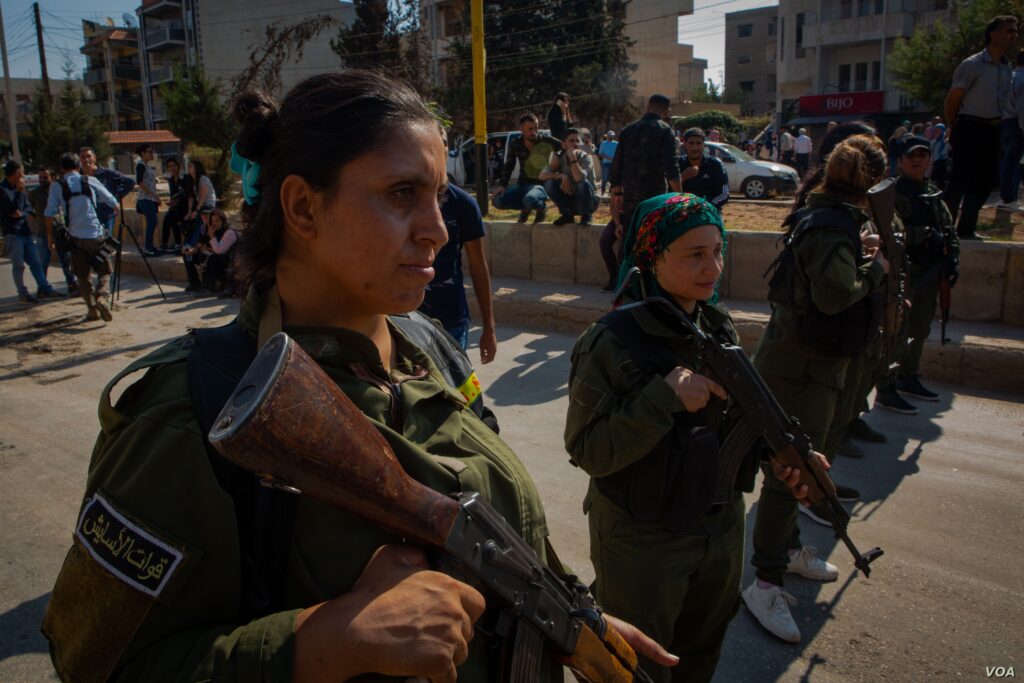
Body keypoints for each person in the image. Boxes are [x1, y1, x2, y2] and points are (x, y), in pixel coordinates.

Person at [42, 70, 671, 683]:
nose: (439, 229)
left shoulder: (430, 349)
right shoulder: (195, 406)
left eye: (438, 195)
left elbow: (492, 525)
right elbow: (99, 663)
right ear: (303, 207)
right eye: (402, 194)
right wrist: (322, 642)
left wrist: (562, 617)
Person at [564, 192, 825, 682]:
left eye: (717, 251)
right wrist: (662, 399)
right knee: (632, 667)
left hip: (719, 529)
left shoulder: (715, 322)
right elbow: (588, 451)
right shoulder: (612, 340)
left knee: (699, 655)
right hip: (644, 540)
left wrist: (784, 455)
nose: (713, 267)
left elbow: (745, 414)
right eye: (695, 254)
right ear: (653, 256)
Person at [743, 134, 890, 642]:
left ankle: (785, 553)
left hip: (811, 363)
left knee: (803, 470)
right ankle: (764, 582)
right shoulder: (831, 224)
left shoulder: (828, 215)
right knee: (793, 474)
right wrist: (874, 272)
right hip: (801, 368)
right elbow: (833, 296)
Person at [874, 136, 960, 413]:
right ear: (899, 161)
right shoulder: (893, 194)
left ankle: (908, 375)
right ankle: (886, 385)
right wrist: (921, 235)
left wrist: (952, 258)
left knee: (919, 327)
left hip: (931, 271)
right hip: (905, 271)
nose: (917, 160)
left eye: (923, 155)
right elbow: (887, 232)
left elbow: (948, 228)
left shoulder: (932, 192)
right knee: (895, 330)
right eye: (911, 156)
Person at [420, 133, 498, 361]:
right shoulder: (403, 201)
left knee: (455, 392)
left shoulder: (463, 204)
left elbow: (478, 266)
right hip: (407, 320)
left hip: (452, 321)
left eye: (443, 141)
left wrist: (489, 328)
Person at [943, 15, 1018, 238]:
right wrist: (951, 125)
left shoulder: (1006, 68)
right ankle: (944, 229)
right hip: (968, 126)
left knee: (983, 182)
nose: (1013, 35)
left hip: (993, 129)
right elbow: (953, 98)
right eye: (1009, 31)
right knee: (959, 180)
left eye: (1015, 31)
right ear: (993, 35)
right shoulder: (973, 64)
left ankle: (966, 228)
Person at [45, 153, 119, 321]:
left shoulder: (57, 186)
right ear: (78, 167)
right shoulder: (90, 181)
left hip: (75, 239)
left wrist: (50, 237)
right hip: (96, 235)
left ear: (62, 169)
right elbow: (113, 202)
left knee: (83, 276)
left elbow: (49, 213)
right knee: (105, 271)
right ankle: (102, 296)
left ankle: (92, 310)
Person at [608, 94, 681, 233]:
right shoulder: (665, 130)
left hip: (630, 198)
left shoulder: (628, 130)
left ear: (647, 107)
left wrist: (617, 193)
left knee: (630, 238)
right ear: (666, 112)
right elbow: (672, 168)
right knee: (651, 239)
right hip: (654, 198)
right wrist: (680, 197)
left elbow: (616, 165)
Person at [1, 160, 63, 304]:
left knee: (35, 262)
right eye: (21, 172)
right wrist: (18, 195)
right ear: (16, 172)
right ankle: (23, 293)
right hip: (12, 233)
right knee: (18, 265)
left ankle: (45, 288)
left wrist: (23, 210)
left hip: (25, 232)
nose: (22, 175)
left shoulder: (20, 190)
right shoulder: (3, 190)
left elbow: (28, 208)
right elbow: (12, 211)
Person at [493, 113, 561, 224]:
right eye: (530, 129)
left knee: (530, 199)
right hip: (523, 183)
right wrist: (502, 185)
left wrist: (556, 163)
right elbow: (509, 165)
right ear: (522, 129)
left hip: (540, 185)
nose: (534, 132)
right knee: (498, 201)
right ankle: (525, 209)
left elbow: (562, 147)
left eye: (536, 128)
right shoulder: (515, 144)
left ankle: (541, 208)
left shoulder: (545, 141)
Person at [28, 167, 77, 294]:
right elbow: (28, 208)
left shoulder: (57, 191)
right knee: (43, 262)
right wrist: (39, 218)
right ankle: (42, 288)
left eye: (45, 177)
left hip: (60, 231)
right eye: (40, 177)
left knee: (65, 260)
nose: (42, 180)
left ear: (52, 178)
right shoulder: (35, 193)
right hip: (43, 233)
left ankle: (72, 284)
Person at [540, 127, 599, 225]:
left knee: (582, 183)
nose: (575, 144)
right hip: (572, 200)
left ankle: (587, 215)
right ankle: (567, 215)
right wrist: (562, 175)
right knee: (549, 183)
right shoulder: (560, 157)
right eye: (571, 141)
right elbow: (542, 176)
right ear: (563, 145)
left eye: (577, 141)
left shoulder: (586, 157)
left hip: (589, 202)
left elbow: (579, 178)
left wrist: (573, 158)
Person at [182, 208, 239, 296]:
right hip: (214, 257)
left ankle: (209, 288)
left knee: (212, 257)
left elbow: (219, 250)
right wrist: (188, 250)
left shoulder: (228, 232)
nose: (215, 223)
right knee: (189, 256)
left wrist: (211, 236)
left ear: (223, 220)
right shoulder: (208, 229)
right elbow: (200, 246)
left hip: (228, 263)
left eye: (217, 220)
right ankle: (195, 283)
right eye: (213, 220)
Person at [79, 146, 135, 234]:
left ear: (94, 158)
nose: (86, 159)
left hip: (106, 213)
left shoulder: (107, 173)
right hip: (86, 215)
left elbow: (130, 182)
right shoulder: (78, 176)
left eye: (89, 156)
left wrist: (115, 198)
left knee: (106, 240)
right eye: (83, 157)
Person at [677, 127, 729, 211]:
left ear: (703, 144)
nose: (695, 148)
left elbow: (724, 194)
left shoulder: (715, 164)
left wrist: (705, 205)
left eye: (698, 143)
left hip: (709, 213)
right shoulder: (677, 164)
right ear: (684, 144)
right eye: (691, 143)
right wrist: (681, 178)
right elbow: (666, 193)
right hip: (682, 212)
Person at [1000, 50, 1024, 207]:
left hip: (1006, 121)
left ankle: (1009, 195)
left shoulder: (1011, 76)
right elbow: (1023, 107)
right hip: (1018, 123)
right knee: (1013, 161)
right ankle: (1009, 198)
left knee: (1011, 160)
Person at [135, 144, 163, 256]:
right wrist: (153, 196)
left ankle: (150, 246)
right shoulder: (140, 165)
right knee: (152, 222)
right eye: (149, 151)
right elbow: (140, 182)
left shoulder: (147, 166)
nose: (152, 154)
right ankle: (148, 248)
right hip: (145, 199)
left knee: (152, 222)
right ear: (143, 153)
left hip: (150, 199)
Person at [185, 158, 217, 241]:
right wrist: (189, 212)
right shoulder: (191, 179)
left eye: (190, 166)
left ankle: (192, 244)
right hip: (202, 205)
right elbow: (191, 197)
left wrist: (196, 211)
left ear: (197, 168)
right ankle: (189, 243)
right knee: (187, 219)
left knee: (198, 221)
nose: (188, 167)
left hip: (208, 205)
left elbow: (203, 198)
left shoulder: (203, 178)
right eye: (188, 166)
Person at [160, 157, 187, 251]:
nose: (172, 168)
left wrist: (177, 201)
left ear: (178, 166)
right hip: (175, 207)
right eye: (170, 166)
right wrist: (172, 202)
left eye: (174, 166)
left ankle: (178, 244)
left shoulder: (184, 178)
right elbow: (173, 195)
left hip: (185, 207)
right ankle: (164, 244)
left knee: (173, 218)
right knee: (166, 219)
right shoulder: (171, 180)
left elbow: (187, 195)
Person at [930, 123, 950, 191]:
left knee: (939, 180)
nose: (937, 131)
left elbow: (946, 150)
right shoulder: (935, 139)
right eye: (936, 129)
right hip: (935, 161)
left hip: (942, 162)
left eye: (939, 129)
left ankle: (941, 194)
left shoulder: (944, 139)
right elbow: (931, 148)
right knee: (936, 179)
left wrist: (942, 154)